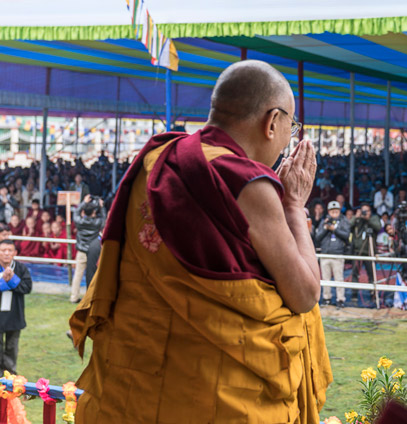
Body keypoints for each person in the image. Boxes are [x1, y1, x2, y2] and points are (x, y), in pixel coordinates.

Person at [69, 60, 332, 423]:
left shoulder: (157, 158)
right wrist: (293, 205)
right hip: (215, 396)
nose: (290, 136)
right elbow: (304, 294)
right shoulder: (249, 183)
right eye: (292, 125)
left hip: (137, 380)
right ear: (272, 122)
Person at [0, 240, 32, 374]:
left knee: (12, 347)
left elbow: (27, 288)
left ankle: (10, 374)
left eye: (10, 250)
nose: (6, 253)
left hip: (14, 314)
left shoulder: (20, 268)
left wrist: (13, 279)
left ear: (15, 253)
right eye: (3, 250)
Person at [70, 195, 106, 303]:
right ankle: (91, 296)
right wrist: (101, 206)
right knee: (93, 275)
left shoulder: (80, 222)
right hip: (93, 253)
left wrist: (84, 203)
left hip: (81, 251)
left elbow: (76, 213)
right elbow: (104, 219)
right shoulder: (97, 222)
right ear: (94, 212)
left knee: (78, 274)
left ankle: (74, 297)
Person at [315, 201, 351, 308]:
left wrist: (335, 229)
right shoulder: (324, 221)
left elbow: (346, 235)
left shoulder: (344, 221)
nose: (334, 213)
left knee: (339, 278)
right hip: (325, 253)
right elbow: (317, 237)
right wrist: (326, 228)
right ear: (329, 212)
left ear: (339, 211)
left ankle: (340, 299)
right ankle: (327, 298)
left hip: (338, 253)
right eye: (332, 211)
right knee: (325, 278)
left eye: (336, 211)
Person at [350, 203, 381, 289]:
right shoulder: (358, 220)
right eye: (363, 211)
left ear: (370, 211)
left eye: (366, 211)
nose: (364, 213)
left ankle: (373, 293)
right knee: (355, 274)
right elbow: (348, 226)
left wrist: (368, 219)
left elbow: (378, 227)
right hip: (357, 251)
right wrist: (355, 217)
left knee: (371, 274)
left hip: (369, 251)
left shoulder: (374, 218)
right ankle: (354, 294)